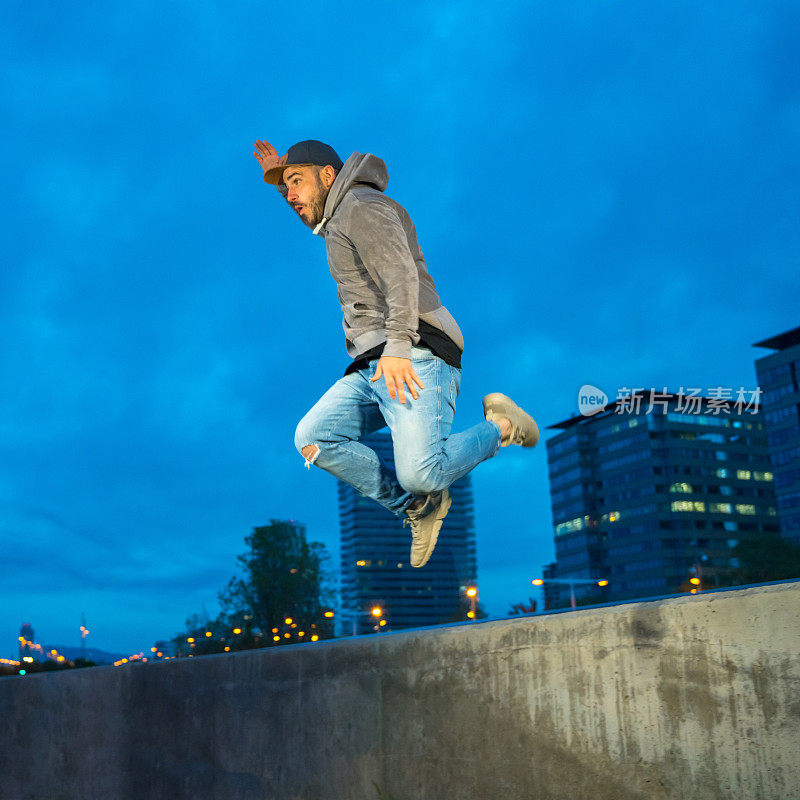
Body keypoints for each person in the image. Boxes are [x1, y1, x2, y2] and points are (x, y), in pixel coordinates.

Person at [253, 139, 539, 568]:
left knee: (423, 472)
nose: (292, 194)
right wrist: (284, 180)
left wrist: (400, 345)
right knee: (312, 437)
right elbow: (314, 213)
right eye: (287, 187)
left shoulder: (362, 207)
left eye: (298, 182)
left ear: (328, 177)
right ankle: (418, 508)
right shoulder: (337, 218)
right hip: (373, 365)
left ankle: (501, 427)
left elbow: (401, 274)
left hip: (415, 352)